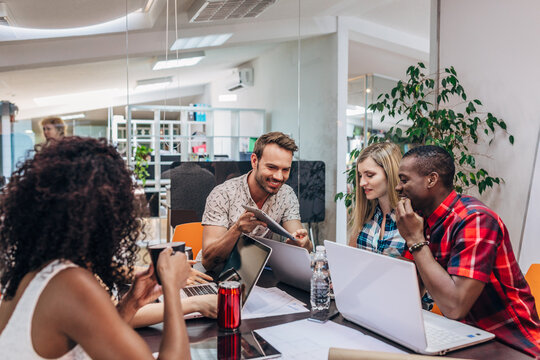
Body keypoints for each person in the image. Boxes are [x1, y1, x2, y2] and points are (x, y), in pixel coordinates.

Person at [0, 137, 190, 359]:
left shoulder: (34, 273)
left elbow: (91, 342)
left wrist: (131, 304)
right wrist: (172, 287)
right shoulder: (69, 282)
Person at [395, 145, 540, 357]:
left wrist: (415, 241)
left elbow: (454, 306)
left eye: (404, 180)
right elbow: (408, 290)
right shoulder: (420, 218)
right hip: (466, 335)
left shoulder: (476, 220)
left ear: (431, 180)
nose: (398, 187)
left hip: (513, 344)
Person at [201, 131, 312, 272]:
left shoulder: (287, 194)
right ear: (254, 161)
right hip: (216, 273)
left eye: (285, 170)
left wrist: (304, 243)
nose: (279, 176)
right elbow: (208, 261)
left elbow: (304, 245)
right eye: (271, 167)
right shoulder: (222, 194)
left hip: (254, 272)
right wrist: (237, 229)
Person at [348, 142, 404, 257]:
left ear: (390, 173)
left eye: (369, 175)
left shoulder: (410, 217)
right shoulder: (365, 214)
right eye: (360, 175)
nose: (362, 183)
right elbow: (350, 258)